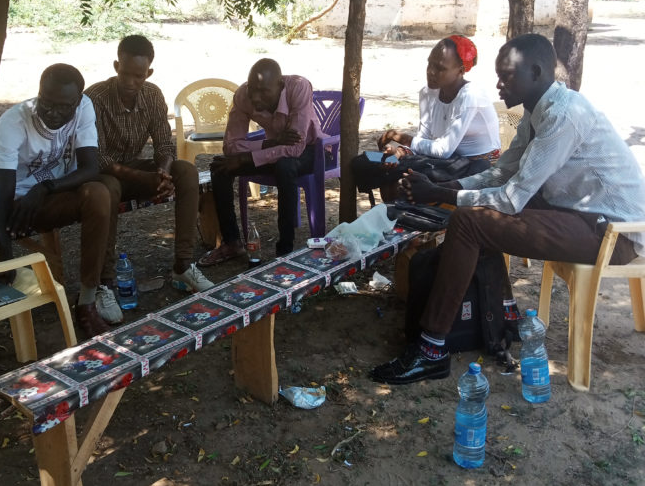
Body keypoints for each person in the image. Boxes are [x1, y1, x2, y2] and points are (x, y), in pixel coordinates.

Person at [370, 33, 645, 385]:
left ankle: (431, 350)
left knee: (470, 222)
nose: (498, 85)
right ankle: (505, 315)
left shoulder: (563, 115)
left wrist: (440, 192)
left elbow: (511, 198)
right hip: (581, 215)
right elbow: (502, 171)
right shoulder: (537, 110)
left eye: (507, 76)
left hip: (612, 234)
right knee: (480, 215)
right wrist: (449, 186)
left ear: (536, 72)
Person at [0, 64, 117, 338]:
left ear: (77, 101)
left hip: (46, 199)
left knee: (99, 192)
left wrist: (44, 189)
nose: (52, 113)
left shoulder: (84, 107)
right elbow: (4, 190)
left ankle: (87, 302)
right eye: (46, 103)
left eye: (63, 107)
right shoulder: (12, 123)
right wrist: (5, 252)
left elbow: (90, 167)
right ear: (39, 94)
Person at [85, 35, 214, 294]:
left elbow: (164, 145)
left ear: (149, 73)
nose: (131, 82)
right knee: (109, 188)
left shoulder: (152, 95)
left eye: (139, 76)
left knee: (186, 171)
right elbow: (98, 158)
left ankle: (183, 264)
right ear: (116, 66)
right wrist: (145, 178)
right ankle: (104, 281)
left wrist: (163, 172)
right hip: (101, 176)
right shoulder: (95, 98)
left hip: (132, 170)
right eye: (125, 74)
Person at [197, 58, 324, 265]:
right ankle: (232, 242)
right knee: (220, 166)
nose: (256, 97)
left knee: (285, 166)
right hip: (273, 147)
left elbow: (294, 148)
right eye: (252, 89)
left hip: (310, 150)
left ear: (280, 86)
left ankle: (285, 250)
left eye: (264, 91)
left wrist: (246, 157)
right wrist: (272, 142)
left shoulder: (299, 87)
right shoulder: (242, 95)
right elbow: (230, 146)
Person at [351, 35, 500, 202]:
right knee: (364, 161)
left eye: (440, 68)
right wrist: (401, 152)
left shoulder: (470, 96)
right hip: (441, 161)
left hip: (473, 165)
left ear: (460, 70)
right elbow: (424, 139)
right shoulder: (427, 93)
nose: (431, 71)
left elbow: (443, 150)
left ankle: (399, 212)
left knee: (410, 174)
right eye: (430, 63)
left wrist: (402, 138)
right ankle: (391, 211)